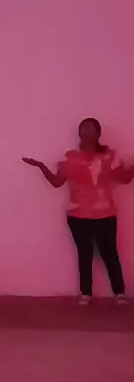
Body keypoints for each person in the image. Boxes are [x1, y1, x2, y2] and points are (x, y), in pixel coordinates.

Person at [23, 118, 129, 305]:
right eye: (83, 130)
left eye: (90, 130)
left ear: (98, 133)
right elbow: (57, 182)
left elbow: (125, 179)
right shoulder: (71, 158)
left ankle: (119, 292)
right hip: (77, 214)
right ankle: (85, 293)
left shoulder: (109, 157)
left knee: (109, 253)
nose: (86, 133)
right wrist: (41, 167)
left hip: (106, 213)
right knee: (84, 253)